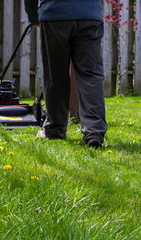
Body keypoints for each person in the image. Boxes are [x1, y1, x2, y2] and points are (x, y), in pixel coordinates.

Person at [24, 0, 108, 148]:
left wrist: (33, 16)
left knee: (55, 75)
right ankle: (94, 132)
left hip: (55, 14)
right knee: (90, 76)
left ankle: (55, 130)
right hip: (89, 15)